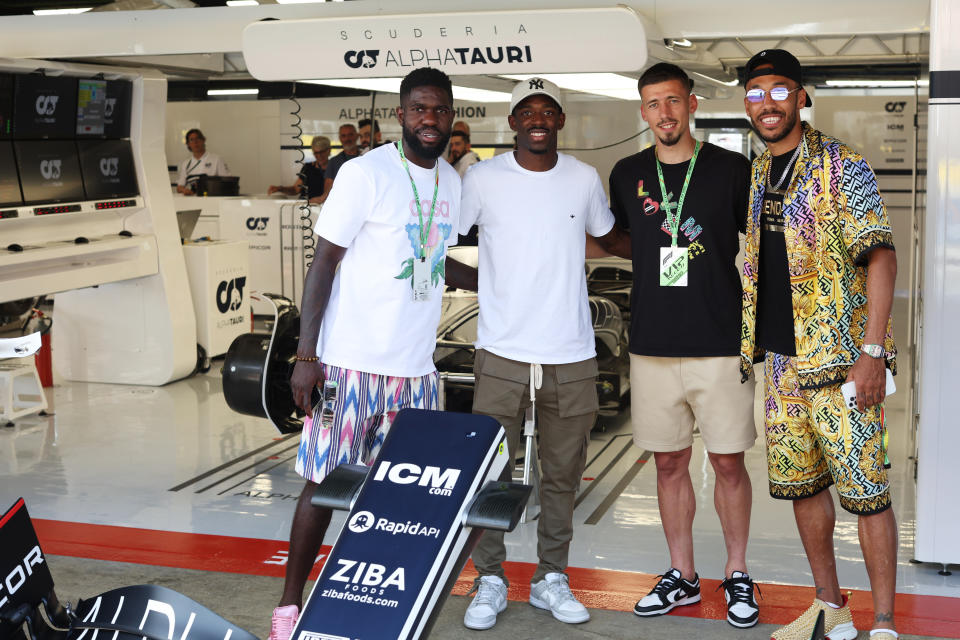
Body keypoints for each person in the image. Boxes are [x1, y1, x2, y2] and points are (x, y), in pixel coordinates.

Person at [269, 67, 477, 640]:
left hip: (415, 372)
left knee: (402, 492)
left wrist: (500, 282)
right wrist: (306, 356)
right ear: (401, 115)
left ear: (452, 115)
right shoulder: (364, 174)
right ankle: (289, 607)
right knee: (323, 479)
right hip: (350, 364)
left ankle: (379, 605)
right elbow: (324, 263)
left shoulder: (453, 183)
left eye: (438, 110)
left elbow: (433, 255)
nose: (429, 120)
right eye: (418, 109)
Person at [459, 77, 629, 631]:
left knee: (562, 474)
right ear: (512, 123)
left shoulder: (583, 178)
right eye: (526, 111)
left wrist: (669, 242)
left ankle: (551, 575)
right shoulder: (481, 177)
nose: (537, 118)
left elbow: (606, 238)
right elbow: (445, 242)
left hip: (570, 353)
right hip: (502, 352)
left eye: (548, 110)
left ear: (560, 120)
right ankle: (490, 577)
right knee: (490, 473)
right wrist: (493, 285)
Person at [739, 49, 899, 640]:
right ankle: (829, 606)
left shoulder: (842, 164)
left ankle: (882, 621)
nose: (768, 103)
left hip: (841, 362)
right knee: (804, 486)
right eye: (756, 93)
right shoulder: (758, 172)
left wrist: (873, 353)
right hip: (781, 360)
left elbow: (881, 255)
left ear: (801, 96)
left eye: (779, 90)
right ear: (746, 104)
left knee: (867, 489)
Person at [607, 63, 760, 628]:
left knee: (727, 461)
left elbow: (765, 245)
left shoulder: (731, 169)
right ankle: (683, 574)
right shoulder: (626, 173)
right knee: (668, 462)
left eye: (672, 101)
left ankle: (738, 573)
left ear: (691, 104)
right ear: (643, 111)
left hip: (719, 340)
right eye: (652, 104)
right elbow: (621, 238)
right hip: (651, 343)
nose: (663, 113)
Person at [267, 136, 330, 203]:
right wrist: (280, 188)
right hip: (306, 208)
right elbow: (295, 189)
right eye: (316, 153)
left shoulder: (335, 169)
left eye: (322, 152)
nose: (319, 156)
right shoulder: (308, 167)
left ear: (329, 150)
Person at [176, 128, 230, 195]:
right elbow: (179, 187)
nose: (195, 142)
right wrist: (184, 190)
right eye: (191, 140)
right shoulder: (186, 164)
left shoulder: (217, 159)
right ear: (188, 144)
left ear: (203, 140)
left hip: (212, 199)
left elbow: (228, 183)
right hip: (192, 200)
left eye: (198, 138)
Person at [319, 123, 359, 202]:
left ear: (356, 136)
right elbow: (327, 193)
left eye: (350, 135)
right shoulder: (333, 162)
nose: (347, 139)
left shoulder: (365, 156)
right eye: (343, 136)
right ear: (340, 138)